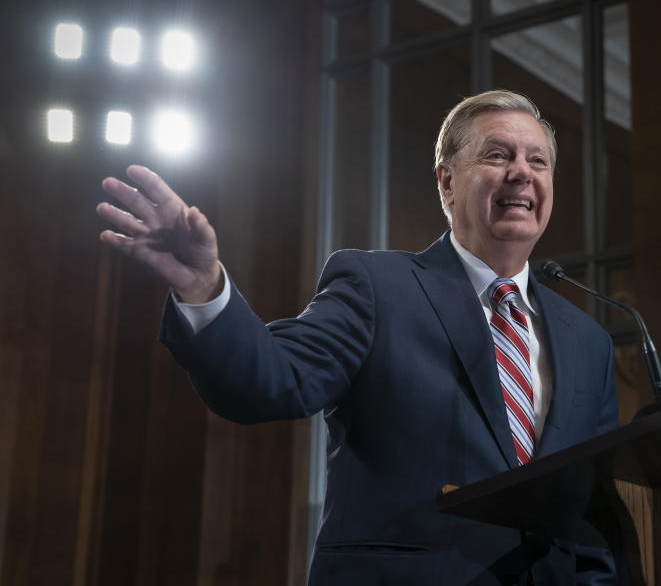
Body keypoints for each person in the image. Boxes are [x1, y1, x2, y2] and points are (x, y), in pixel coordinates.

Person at [97, 90, 619, 584]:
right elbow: (276, 380)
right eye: (497, 155)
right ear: (447, 182)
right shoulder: (378, 287)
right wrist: (204, 288)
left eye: (538, 161)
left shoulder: (588, 342)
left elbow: (599, 517)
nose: (521, 174)